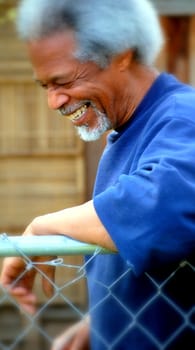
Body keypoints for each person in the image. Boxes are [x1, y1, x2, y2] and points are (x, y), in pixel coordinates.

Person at [1, 0, 195, 349]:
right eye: (45, 85)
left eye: (63, 81)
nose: (54, 102)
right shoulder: (131, 130)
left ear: (121, 53)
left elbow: (166, 208)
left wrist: (42, 226)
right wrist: (104, 319)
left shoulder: (183, 116)